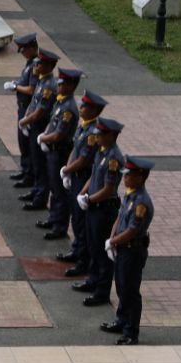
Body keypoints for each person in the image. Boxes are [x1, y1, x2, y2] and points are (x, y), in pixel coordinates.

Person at [100, 156, 155, 345]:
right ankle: (122, 320)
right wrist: (112, 239)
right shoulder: (130, 195)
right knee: (122, 286)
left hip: (133, 251)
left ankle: (131, 332)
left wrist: (114, 241)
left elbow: (132, 231)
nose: (125, 178)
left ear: (140, 177)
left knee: (130, 291)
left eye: (129, 176)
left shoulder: (141, 203)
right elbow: (119, 218)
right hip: (123, 249)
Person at [72, 117, 125, 307]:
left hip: (104, 209)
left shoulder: (113, 158)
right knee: (92, 246)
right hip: (94, 206)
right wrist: (82, 193)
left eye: (101, 134)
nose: (98, 137)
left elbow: (109, 189)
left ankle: (102, 292)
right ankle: (93, 280)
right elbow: (94, 176)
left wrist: (89, 199)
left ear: (112, 135)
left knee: (102, 254)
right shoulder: (101, 152)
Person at [58, 90, 108, 276]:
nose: (82, 108)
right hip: (76, 176)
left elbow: (85, 159)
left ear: (95, 110)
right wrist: (68, 168)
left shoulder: (93, 134)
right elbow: (75, 151)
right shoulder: (83, 127)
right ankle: (77, 251)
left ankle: (83, 261)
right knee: (76, 218)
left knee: (81, 222)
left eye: (86, 106)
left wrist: (68, 169)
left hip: (82, 176)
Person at [36, 68, 82, 240]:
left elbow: (60, 134)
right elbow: (51, 124)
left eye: (62, 84)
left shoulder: (69, 108)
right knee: (54, 187)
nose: (59, 86)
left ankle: (60, 225)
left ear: (71, 86)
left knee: (60, 191)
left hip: (60, 151)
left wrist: (44, 138)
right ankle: (54, 217)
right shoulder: (60, 102)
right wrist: (46, 135)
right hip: (53, 150)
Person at [18, 48, 59, 210]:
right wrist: (27, 116)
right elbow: (33, 103)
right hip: (34, 125)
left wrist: (24, 121)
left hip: (40, 126)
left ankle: (40, 197)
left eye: (40, 64)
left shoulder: (49, 86)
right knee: (35, 161)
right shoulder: (42, 81)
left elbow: (40, 112)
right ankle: (36, 190)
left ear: (49, 65)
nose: (36, 66)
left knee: (41, 164)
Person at [4, 33, 39, 189]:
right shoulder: (30, 63)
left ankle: (29, 175)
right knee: (22, 142)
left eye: (24, 50)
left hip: (29, 109)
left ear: (32, 48)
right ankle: (25, 169)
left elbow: (32, 89)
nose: (23, 53)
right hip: (23, 107)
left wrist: (16, 87)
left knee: (28, 142)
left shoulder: (36, 66)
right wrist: (17, 83)